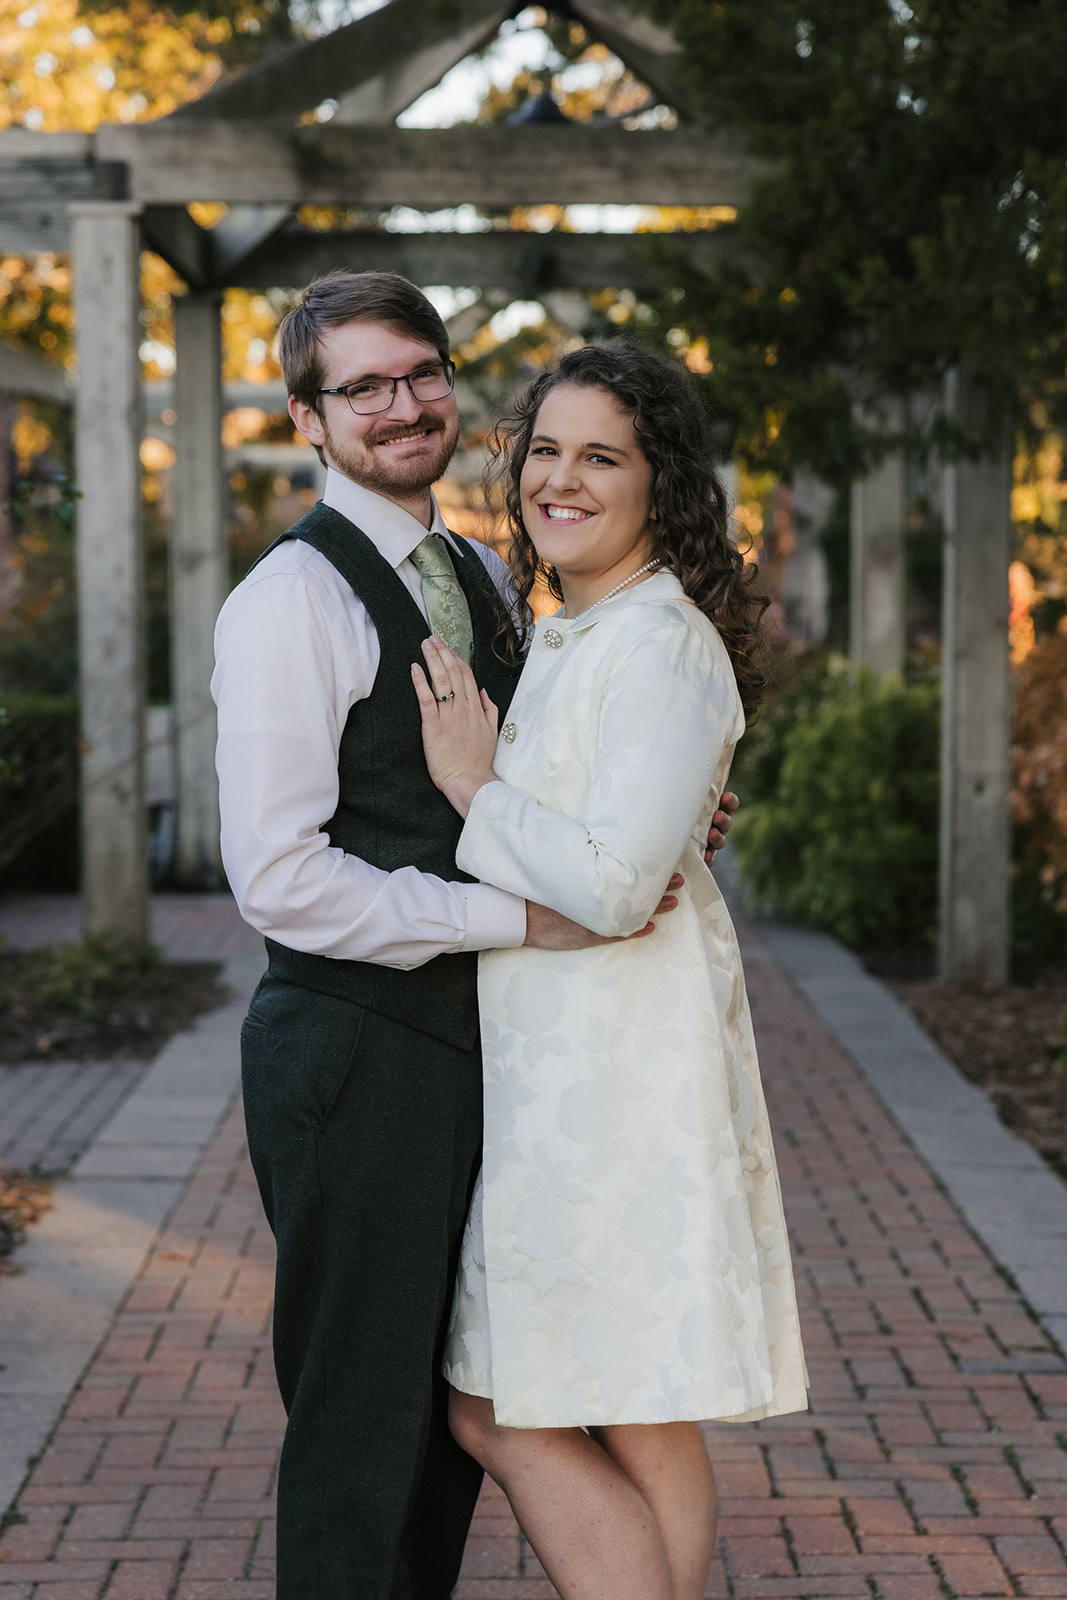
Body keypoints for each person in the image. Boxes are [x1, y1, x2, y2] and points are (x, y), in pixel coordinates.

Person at [211, 271, 738, 1600]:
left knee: (451, 1429)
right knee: (362, 1424)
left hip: (478, 1054)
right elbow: (279, 879)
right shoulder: (291, 599)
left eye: (422, 373)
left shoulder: (485, 579)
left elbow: (559, 784)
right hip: (352, 1051)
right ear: (306, 418)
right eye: (362, 387)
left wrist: (662, 822)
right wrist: (516, 911)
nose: (401, 405)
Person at [412, 341, 809, 1600]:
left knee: (506, 1406)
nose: (561, 480)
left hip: (619, 1082)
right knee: (620, 1403)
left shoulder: (656, 643)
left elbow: (615, 884)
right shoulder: (572, 631)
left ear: (659, 484)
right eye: (544, 451)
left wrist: (473, 786)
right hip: (565, 1074)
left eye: (601, 456)